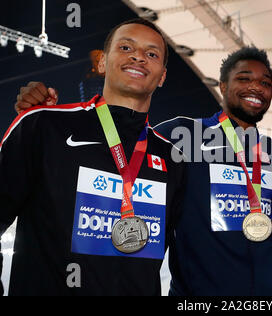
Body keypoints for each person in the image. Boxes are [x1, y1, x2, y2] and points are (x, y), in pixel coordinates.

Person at [13, 47, 272, 296]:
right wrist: (50, 114)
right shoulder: (185, 134)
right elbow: (118, 142)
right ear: (223, 85)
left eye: (265, 83)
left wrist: (266, 255)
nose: (256, 87)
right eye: (244, 78)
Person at [0, 18, 185, 296]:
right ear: (101, 63)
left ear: (161, 77)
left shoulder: (173, 158)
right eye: (125, 47)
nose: (138, 57)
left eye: (152, 54)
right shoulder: (43, 126)